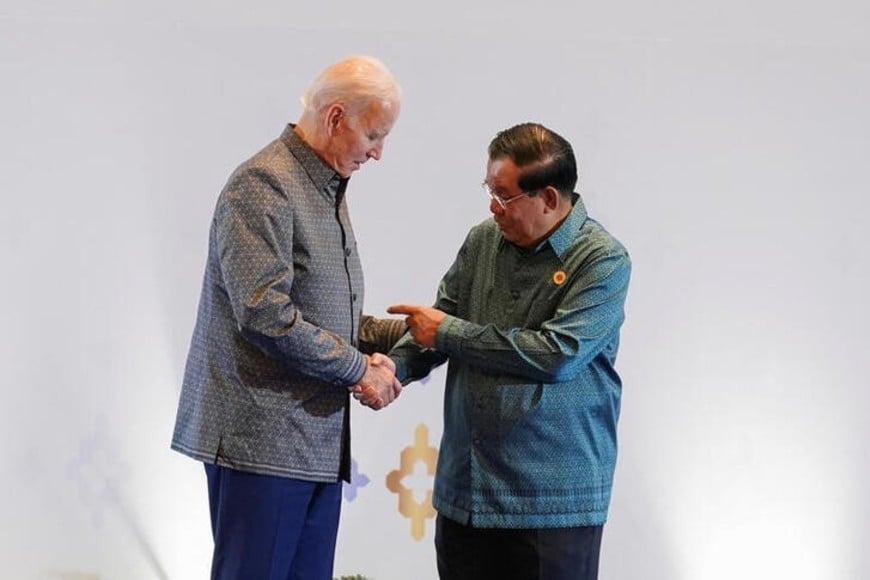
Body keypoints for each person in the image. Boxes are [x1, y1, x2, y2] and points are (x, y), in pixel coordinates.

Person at [171, 54, 406, 580]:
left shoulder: (325, 188)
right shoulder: (263, 184)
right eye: (374, 134)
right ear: (336, 117)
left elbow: (330, 319)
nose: (379, 152)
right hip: (263, 444)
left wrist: (417, 333)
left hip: (314, 445)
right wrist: (358, 369)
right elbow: (266, 314)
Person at [387, 122, 631, 580]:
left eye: (504, 195)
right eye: (489, 189)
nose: (492, 207)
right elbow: (438, 320)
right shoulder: (482, 241)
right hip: (467, 494)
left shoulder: (601, 261)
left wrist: (447, 333)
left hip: (550, 505)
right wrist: (391, 369)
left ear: (549, 199)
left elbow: (557, 354)